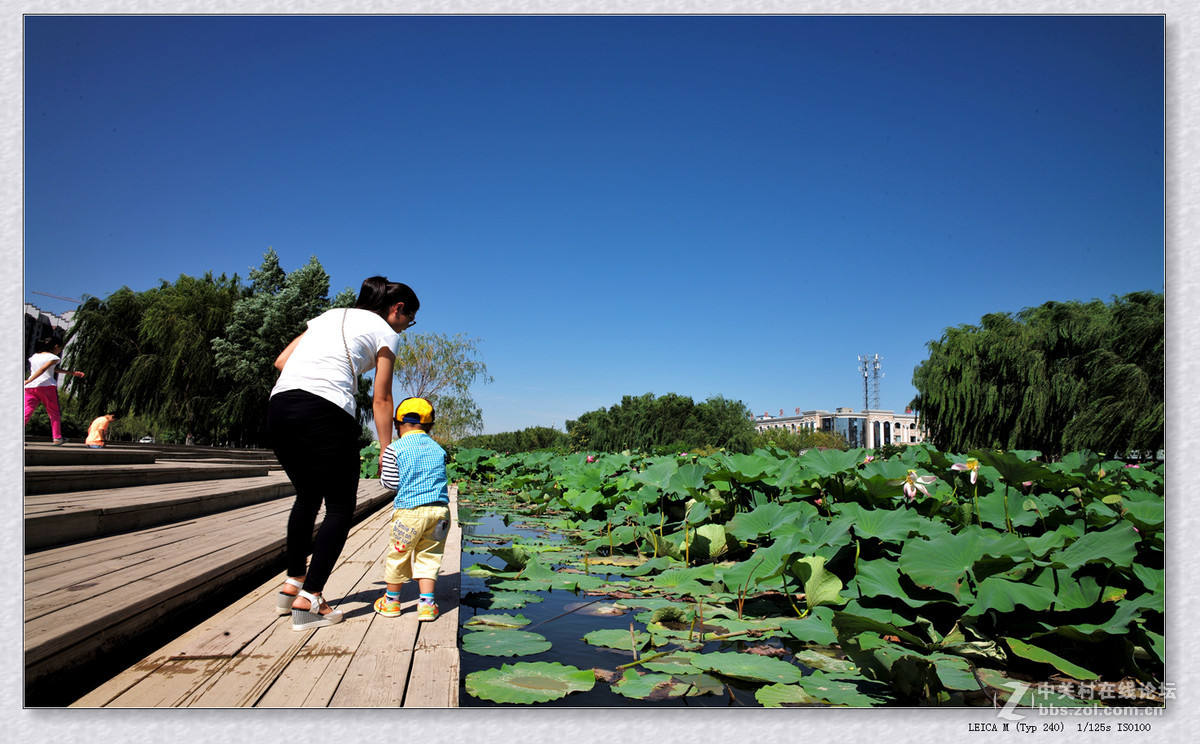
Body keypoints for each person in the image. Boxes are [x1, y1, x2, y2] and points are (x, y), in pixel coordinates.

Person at [269, 277, 419, 631]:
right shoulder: (386, 331)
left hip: (281, 405)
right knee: (339, 506)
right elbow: (381, 398)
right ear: (396, 309)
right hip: (326, 410)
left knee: (306, 498)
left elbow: (281, 361)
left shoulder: (328, 316)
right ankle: (311, 600)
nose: (407, 326)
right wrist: (388, 449)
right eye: (409, 319)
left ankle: (292, 585)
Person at [373, 397, 450, 623]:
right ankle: (426, 605)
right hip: (439, 512)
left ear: (397, 425)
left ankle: (391, 602)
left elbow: (389, 483)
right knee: (430, 556)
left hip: (409, 513)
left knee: (399, 555)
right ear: (430, 426)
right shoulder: (439, 449)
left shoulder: (394, 449)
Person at [24, 338, 84, 445]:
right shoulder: (53, 357)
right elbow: (43, 369)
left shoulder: (35, 356)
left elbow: (51, 369)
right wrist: (29, 379)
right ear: (56, 346)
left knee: (26, 412)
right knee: (54, 413)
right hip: (46, 386)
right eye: (60, 348)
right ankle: (57, 438)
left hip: (30, 387)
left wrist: (71, 373)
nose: (60, 350)